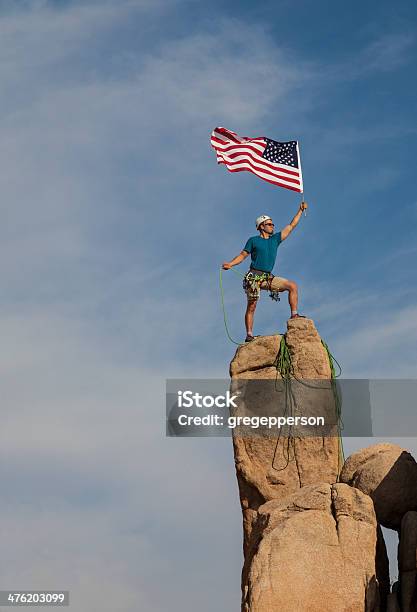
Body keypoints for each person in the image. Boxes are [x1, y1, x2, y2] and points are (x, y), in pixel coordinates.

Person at [222, 202, 308, 342]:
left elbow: (291, 226)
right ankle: (249, 335)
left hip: (268, 277)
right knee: (252, 304)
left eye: (272, 224)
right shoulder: (253, 240)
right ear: (261, 226)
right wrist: (231, 264)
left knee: (292, 285)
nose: (272, 226)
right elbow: (243, 255)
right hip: (254, 277)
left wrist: (300, 210)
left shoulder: (275, 239)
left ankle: (294, 315)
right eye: (269, 224)